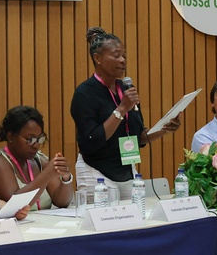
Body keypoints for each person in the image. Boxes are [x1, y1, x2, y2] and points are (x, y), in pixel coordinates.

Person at [70, 27, 181, 199]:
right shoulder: (85, 93)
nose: (122, 60)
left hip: (127, 170)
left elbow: (139, 137)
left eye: (124, 55)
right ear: (97, 58)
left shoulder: (125, 89)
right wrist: (122, 108)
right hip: (96, 172)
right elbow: (92, 140)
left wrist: (164, 128)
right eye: (115, 55)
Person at [0, 105, 74, 210]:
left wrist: (66, 178)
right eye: (30, 139)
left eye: (39, 139)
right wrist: (47, 174)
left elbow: (62, 202)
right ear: (10, 136)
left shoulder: (40, 160)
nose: (36, 145)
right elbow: (15, 206)